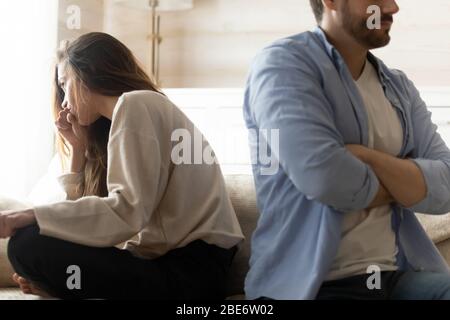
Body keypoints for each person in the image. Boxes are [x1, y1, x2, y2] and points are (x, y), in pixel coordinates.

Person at [0, 32, 244, 300]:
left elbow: (127, 213)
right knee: (31, 245)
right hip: (171, 266)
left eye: (64, 84)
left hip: (190, 270)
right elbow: (91, 225)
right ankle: (61, 287)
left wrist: (33, 214)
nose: (65, 102)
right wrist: (79, 150)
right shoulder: (128, 117)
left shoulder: (137, 103)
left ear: (87, 73)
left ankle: (62, 287)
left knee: (27, 243)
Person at [243, 0, 450, 300]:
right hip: (311, 287)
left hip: (391, 278)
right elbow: (327, 180)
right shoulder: (282, 66)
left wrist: (366, 157)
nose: (392, 8)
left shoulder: (399, 87)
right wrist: (406, 179)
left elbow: (446, 187)